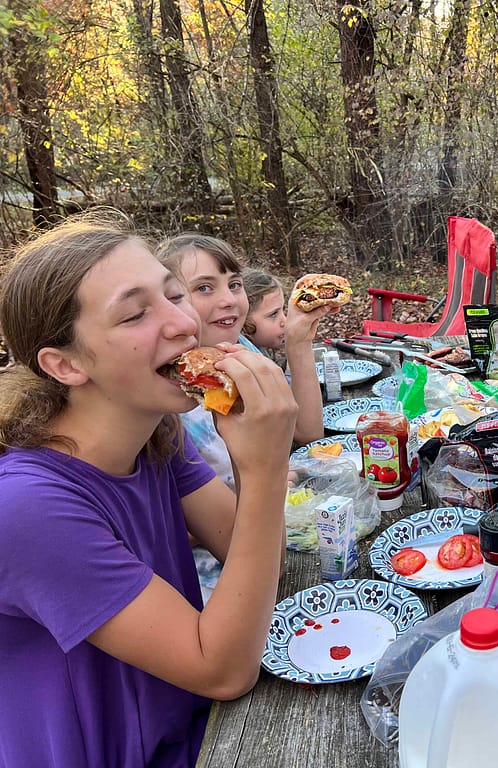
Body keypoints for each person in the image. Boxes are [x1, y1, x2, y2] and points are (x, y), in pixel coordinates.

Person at [0, 211, 298, 766]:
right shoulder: (27, 507)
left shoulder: (157, 433)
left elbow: (257, 554)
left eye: (174, 295)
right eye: (137, 313)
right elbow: (224, 671)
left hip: (190, 729)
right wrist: (265, 468)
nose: (184, 325)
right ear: (64, 364)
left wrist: (257, 452)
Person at [156, 234, 328, 488]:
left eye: (234, 284)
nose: (229, 300)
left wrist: (298, 342)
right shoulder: (168, 396)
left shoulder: (241, 349)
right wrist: (267, 481)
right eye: (204, 288)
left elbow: (307, 432)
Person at [242, 267, 287, 357]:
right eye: (273, 314)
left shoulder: (260, 350)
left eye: (283, 310)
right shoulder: (248, 363)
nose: (285, 321)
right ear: (244, 322)